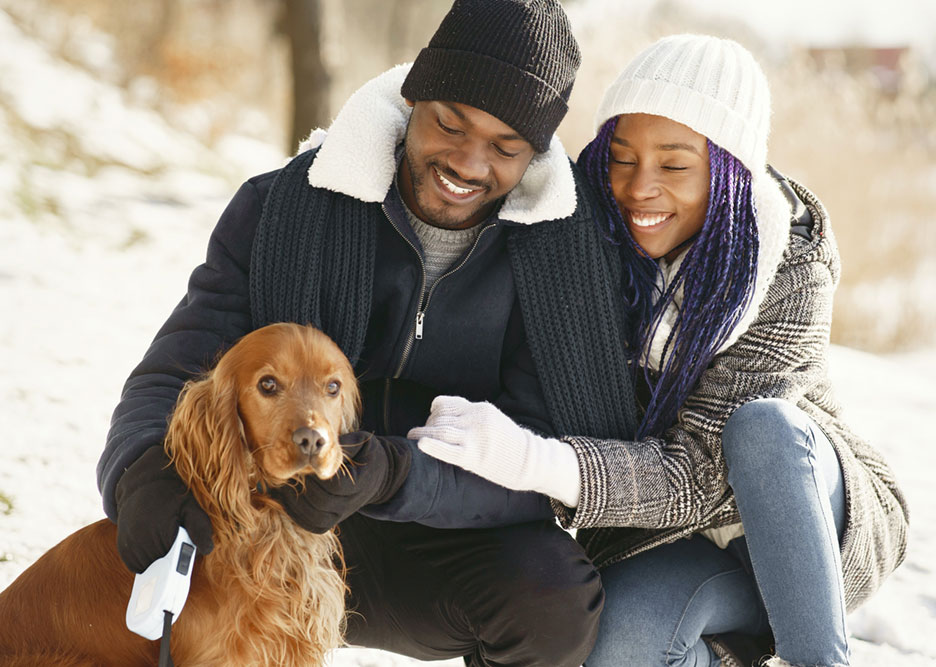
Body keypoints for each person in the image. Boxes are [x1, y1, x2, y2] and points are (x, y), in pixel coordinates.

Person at [97, 2, 640, 665]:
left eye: (504, 148)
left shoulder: (560, 264)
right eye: (450, 123)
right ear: (414, 97)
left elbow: (545, 462)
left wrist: (394, 473)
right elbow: (174, 372)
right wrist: (139, 472)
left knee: (555, 597)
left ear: (534, 153)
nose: (468, 163)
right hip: (271, 521)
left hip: (441, 542)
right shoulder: (278, 208)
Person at [410, 34, 910, 667]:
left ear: (730, 171)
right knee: (615, 645)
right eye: (621, 158)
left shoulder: (788, 266)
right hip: (671, 539)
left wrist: (535, 461)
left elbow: (699, 475)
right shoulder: (590, 238)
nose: (639, 187)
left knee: (762, 428)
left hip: (803, 522)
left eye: (674, 166)